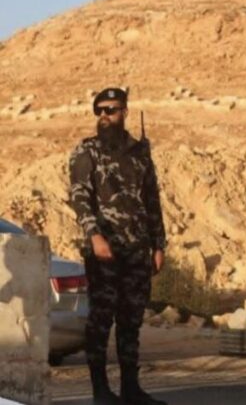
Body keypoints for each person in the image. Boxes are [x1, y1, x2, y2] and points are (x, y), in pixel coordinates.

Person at [68, 88, 168, 405]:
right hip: (105, 251)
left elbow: (152, 201)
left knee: (131, 320)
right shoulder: (87, 151)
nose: (104, 116)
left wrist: (158, 244)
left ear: (124, 112)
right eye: (99, 110)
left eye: (110, 110)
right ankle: (100, 390)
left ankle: (130, 389)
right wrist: (94, 236)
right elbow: (80, 196)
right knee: (101, 319)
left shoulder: (140, 153)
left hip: (137, 250)